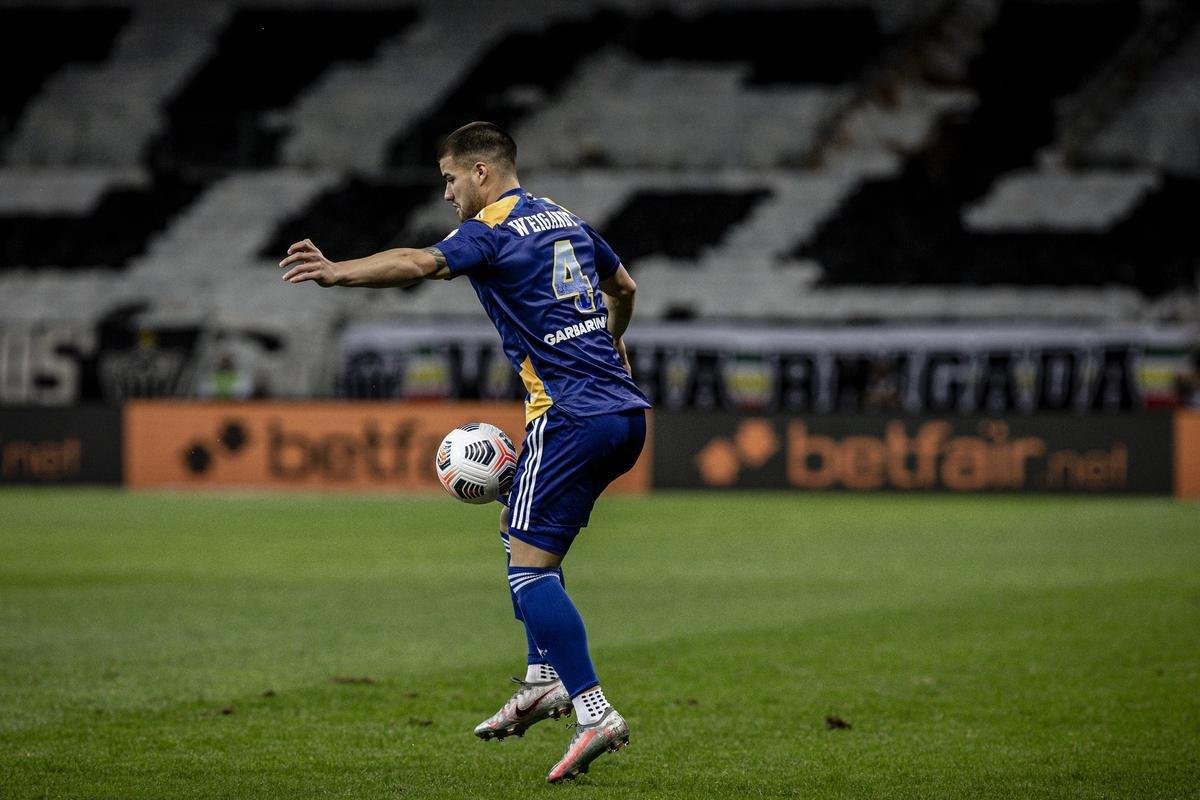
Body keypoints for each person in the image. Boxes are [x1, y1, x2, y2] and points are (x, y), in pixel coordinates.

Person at [280, 121, 650, 783]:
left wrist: (340, 273)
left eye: (450, 178)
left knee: (529, 572)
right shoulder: (565, 218)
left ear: (482, 172)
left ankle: (592, 709)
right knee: (521, 534)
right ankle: (542, 679)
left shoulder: (491, 231)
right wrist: (616, 344)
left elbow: (419, 264)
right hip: (624, 414)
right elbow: (624, 287)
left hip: (569, 417)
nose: (446, 192)